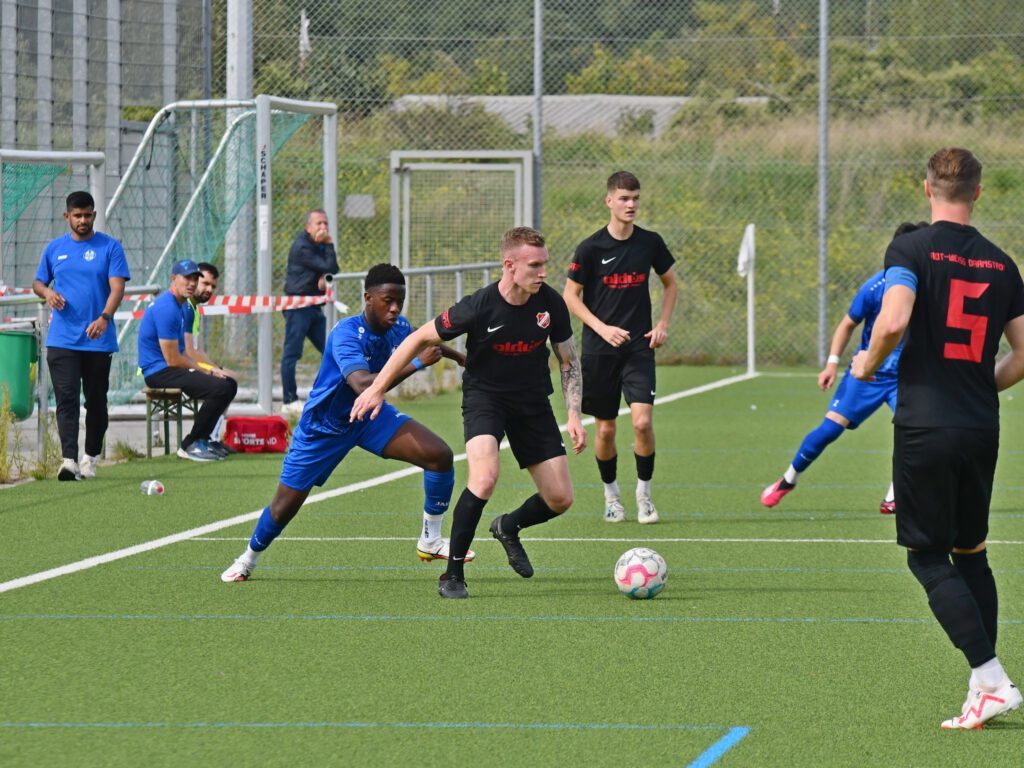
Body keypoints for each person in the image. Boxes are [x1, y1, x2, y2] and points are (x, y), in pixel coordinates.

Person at [851, 147, 1024, 729]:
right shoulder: (1002, 264)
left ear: (927, 189)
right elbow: (1023, 353)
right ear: (978, 192)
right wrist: (979, 384)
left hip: (926, 423)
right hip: (980, 425)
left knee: (926, 555)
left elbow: (895, 318)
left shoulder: (911, 249)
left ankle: (992, 678)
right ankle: (982, 689)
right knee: (971, 552)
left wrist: (868, 363)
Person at [351, 227, 587, 599]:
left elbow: (568, 361)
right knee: (485, 477)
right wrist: (378, 388)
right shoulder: (479, 306)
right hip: (485, 398)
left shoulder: (550, 304)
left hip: (532, 404)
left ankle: (508, 527)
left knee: (560, 498)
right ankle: (453, 575)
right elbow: (418, 338)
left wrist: (573, 413)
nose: (543, 272)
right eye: (534, 265)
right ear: (509, 265)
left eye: (545, 264)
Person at [221, 263, 469, 583]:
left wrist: (460, 358)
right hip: (323, 428)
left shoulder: (398, 326)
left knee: (439, 456)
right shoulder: (346, 334)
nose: (395, 308)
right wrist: (418, 365)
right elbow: (363, 384)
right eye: (388, 301)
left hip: (367, 418)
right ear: (368, 298)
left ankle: (431, 540)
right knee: (284, 507)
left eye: (399, 301)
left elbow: (423, 339)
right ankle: (247, 559)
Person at [761, 221, 927, 514]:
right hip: (868, 372)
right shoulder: (876, 286)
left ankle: (893, 496)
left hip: (907, 376)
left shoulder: (931, 285)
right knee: (829, 429)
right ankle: (788, 479)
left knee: (917, 430)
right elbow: (848, 324)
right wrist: (832, 363)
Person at [562, 171, 677, 524]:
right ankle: (611, 496)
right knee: (607, 429)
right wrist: (601, 328)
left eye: (636, 198)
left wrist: (662, 324)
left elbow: (670, 284)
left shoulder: (650, 242)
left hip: (638, 349)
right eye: (624, 198)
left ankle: (644, 495)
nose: (631, 204)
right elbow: (570, 295)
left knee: (642, 423)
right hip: (599, 351)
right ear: (609, 201)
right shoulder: (591, 248)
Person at [32, 190, 130, 481]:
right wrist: (47, 293)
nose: (83, 220)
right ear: (67, 216)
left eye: (88, 215)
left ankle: (90, 458)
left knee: (96, 401)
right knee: (66, 399)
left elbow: (117, 288)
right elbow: (38, 282)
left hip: (98, 339)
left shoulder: (110, 247)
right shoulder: (54, 249)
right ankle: (69, 461)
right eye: (77, 215)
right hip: (62, 339)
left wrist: (104, 318)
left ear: (94, 215)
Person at [138, 259, 238, 462]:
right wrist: (208, 370)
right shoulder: (167, 308)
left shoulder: (181, 307)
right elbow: (173, 359)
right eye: (187, 278)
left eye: (195, 279)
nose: (192, 283)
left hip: (169, 368)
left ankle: (203, 439)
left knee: (228, 384)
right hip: (159, 372)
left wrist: (211, 370)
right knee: (220, 387)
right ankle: (190, 444)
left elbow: (184, 352)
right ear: (174, 279)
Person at [281, 208, 338, 417]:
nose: (323, 227)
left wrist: (324, 272)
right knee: (292, 353)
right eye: (318, 223)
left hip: (314, 307)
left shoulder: (318, 245)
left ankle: (334, 394)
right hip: (298, 308)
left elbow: (333, 268)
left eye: (325, 223)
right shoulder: (302, 246)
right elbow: (329, 265)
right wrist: (329, 244)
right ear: (308, 227)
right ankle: (289, 400)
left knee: (331, 350)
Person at [183, 262, 238, 457]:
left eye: (213, 286)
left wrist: (215, 368)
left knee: (229, 381)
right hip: (175, 366)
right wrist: (213, 370)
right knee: (222, 385)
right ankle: (196, 440)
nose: (209, 289)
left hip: (186, 362)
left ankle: (210, 438)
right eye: (205, 283)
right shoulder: (185, 307)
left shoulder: (194, 309)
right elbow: (188, 351)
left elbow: (197, 350)